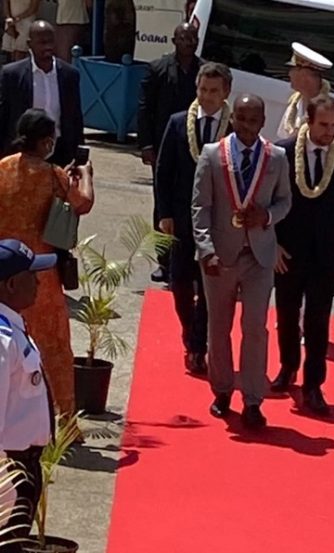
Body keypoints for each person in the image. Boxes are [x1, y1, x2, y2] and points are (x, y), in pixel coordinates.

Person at [192, 94, 291, 428]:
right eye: (242, 119)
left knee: (255, 328)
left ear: (263, 121)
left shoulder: (276, 157)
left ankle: (252, 399)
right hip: (221, 255)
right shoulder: (211, 155)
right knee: (219, 326)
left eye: (254, 120)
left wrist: (266, 216)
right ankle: (222, 390)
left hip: (259, 256)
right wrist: (206, 249)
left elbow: (285, 202)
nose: (248, 127)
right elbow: (200, 207)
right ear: (232, 118)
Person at [0, 108, 94, 414]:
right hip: (40, 273)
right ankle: (64, 416)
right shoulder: (53, 175)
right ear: (43, 142)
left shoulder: (2, 168)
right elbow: (83, 203)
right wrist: (85, 176)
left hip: (4, 269)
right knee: (53, 346)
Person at [272, 94, 334, 415]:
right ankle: (287, 366)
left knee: (318, 320)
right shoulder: (282, 150)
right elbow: (272, 200)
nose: (329, 131)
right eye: (323, 125)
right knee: (286, 313)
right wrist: (274, 244)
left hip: (325, 250)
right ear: (308, 121)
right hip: (289, 249)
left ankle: (313, 385)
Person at [156, 62, 233, 375]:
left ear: (226, 92)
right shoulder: (178, 123)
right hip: (182, 219)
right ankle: (190, 332)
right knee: (179, 282)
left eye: (214, 91)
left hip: (217, 221)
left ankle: (199, 345)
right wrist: (165, 214)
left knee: (209, 285)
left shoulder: (233, 128)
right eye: (203, 90)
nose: (207, 97)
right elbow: (164, 171)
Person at [0, 239, 57, 553]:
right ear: (10, 284)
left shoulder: (11, 326)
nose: (37, 281)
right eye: (29, 275)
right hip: (9, 471)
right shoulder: (1, 339)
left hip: (21, 467)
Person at [138, 22, 204, 284]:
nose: (189, 42)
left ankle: (191, 262)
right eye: (184, 37)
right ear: (174, 40)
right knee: (163, 204)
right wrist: (146, 145)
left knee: (194, 205)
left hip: (197, 149)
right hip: (165, 147)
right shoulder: (158, 69)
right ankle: (164, 262)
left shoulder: (204, 71)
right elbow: (145, 108)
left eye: (193, 38)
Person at [0, 20, 83, 167]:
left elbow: (75, 117)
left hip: (60, 154)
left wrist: (79, 156)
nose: (48, 47)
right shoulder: (12, 75)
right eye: (42, 42)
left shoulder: (69, 75)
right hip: (23, 155)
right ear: (29, 44)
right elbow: (3, 116)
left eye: (51, 41)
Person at [276, 42, 334, 148]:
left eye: (292, 69)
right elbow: (283, 141)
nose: (289, 74)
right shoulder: (295, 104)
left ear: (305, 75)